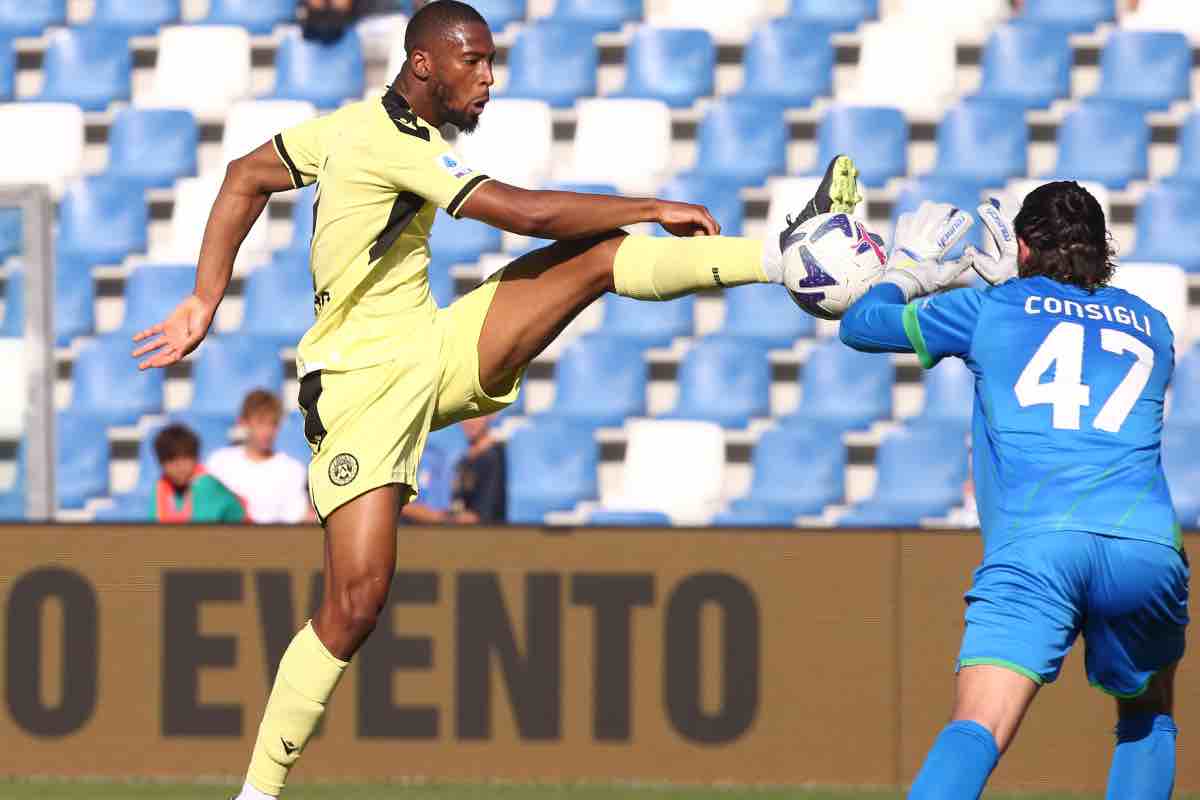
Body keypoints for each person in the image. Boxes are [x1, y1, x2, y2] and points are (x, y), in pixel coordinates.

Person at [128, 2, 861, 796]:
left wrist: (205, 299)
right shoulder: (384, 141)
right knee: (355, 601)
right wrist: (651, 203)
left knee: (597, 258)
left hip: (430, 349)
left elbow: (246, 176)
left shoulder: (350, 129)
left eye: (490, 62)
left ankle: (786, 254)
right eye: (472, 62)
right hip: (360, 389)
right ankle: (257, 792)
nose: (487, 79)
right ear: (423, 66)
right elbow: (528, 213)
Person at [839, 184, 1188, 799]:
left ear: (1021, 246)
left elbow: (863, 327)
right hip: (1145, 547)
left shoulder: (992, 309)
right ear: (1104, 248)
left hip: (1038, 549)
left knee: (978, 726)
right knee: (1146, 714)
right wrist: (1016, 287)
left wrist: (907, 271)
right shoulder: (1153, 325)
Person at [206, 390, 312, 524]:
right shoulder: (218, 463)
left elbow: (295, 521)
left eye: (273, 424)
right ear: (243, 422)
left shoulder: (293, 470)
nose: (267, 431)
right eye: (261, 423)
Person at [151, 424, 247, 523]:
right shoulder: (160, 487)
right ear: (161, 463)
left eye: (185, 458)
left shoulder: (207, 486)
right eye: (171, 460)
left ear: (196, 458)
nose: (179, 466)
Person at [451, 414, 505, 523]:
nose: (470, 421)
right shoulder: (464, 458)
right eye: (465, 414)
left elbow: (482, 516)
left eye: (477, 414)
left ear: (491, 415)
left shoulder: (492, 457)